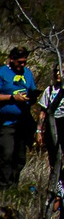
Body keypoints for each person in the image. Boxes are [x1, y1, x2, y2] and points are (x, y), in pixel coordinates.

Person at [0, 47, 36, 189]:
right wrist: (12, 97)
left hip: (23, 121)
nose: (22, 65)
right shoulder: (2, 72)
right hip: (5, 122)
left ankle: (14, 184)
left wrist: (31, 97)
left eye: (24, 62)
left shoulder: (27, 73)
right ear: (12, 59)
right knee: (6, 154)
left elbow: (32, 90)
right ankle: (4, 185)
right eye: (20, 62)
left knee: (20, 157)